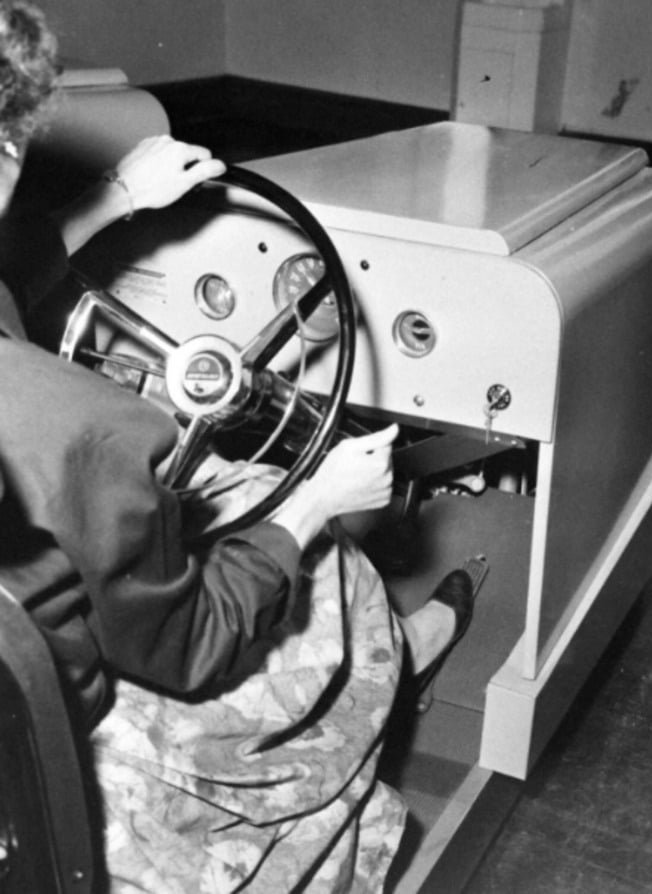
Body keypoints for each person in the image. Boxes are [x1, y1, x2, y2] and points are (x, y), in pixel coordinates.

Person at [0, 3, 488, 892]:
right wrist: (315, 502)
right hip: (55, 742)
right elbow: (192, 647)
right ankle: (390, 677)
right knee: (323, 559)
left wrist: (115, 200)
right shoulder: (82, 426)